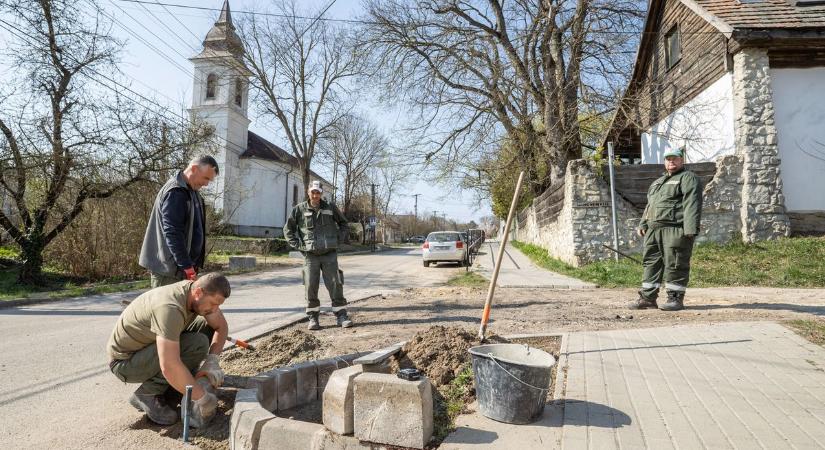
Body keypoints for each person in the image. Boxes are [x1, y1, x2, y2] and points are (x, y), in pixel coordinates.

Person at [106, 272, 231, 427]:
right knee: (197, 343)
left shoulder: (195, 293)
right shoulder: (170, 308)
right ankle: (147, 393)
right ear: (198, 292)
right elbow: (169, 366)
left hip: (147, 347)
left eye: (218, 305)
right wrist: (202, 399)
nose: (215, 309)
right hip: (126, 362)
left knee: (206, 328)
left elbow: (221, 326)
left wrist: (212, 361)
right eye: (213, 304)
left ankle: (179, 386)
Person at [629, 147, 702, 311]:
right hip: (653, 230)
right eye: (668, 159)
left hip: (675, 229)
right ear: (664, 162)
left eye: (675, 159)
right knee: (650, 262)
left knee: (675, 262)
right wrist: (643, 223)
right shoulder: (658, 182)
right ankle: (648, 298)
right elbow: (650, 205)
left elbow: (692, 203)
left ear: (682, 160)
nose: (671, 161)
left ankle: (675, 299)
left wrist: (690, 228)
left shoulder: (688, 178)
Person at [139, 155, 219, 288]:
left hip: (182, 269)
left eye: (209, 181)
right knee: (166, 309)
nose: (206, 184)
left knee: (182, 309)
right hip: (170, 271)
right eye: (206, 178)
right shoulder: (175, 192)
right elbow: (173, 233)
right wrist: (186, 266)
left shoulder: (192, 192)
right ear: (194, 169)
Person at [284, 180, 353, 330]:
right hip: (310, 256)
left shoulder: (330, 207)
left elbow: (344, 224)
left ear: (321, 193)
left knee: (335, 284)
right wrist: (299, 246)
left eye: (318, 192)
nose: (315, 195)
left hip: (329, 254)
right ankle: (313, 318)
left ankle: (341, 315)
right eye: (313, 192)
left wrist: (338, 240)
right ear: (308, 192)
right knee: (310, 285)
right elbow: (288, 230)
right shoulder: (299, 210)